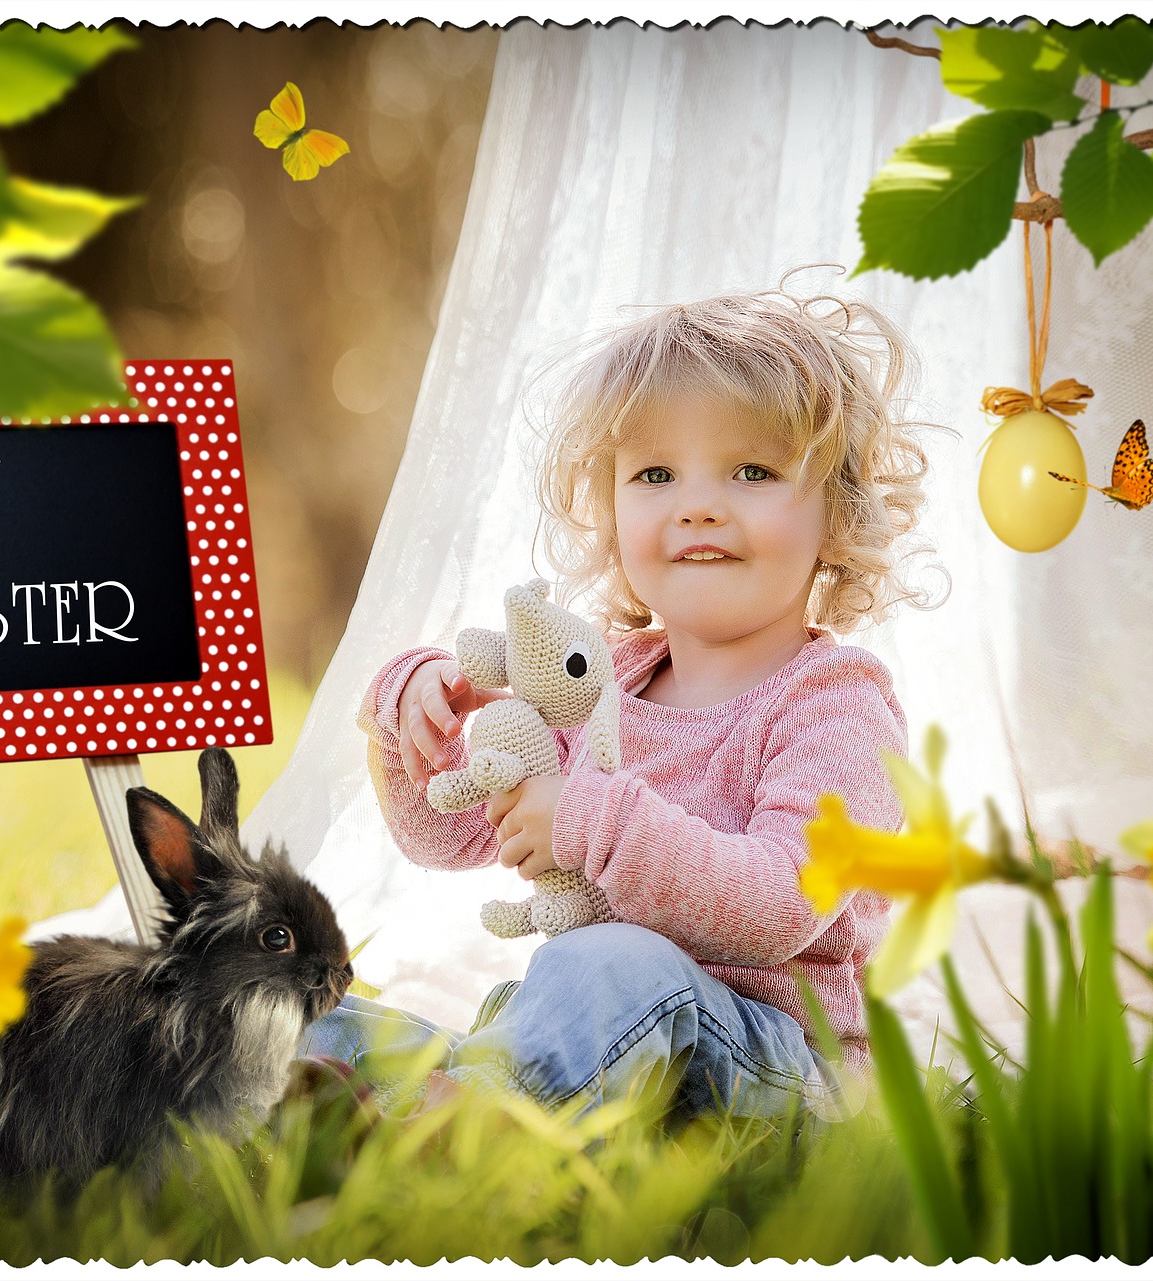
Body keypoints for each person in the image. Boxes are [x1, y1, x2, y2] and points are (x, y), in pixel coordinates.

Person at [298, 286, 934, 1125]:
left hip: (781, 1069)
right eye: (655, 473)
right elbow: (451, 834)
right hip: (608, 1040)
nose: (698, 502)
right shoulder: (608, 683)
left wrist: (590, 819)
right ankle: (313, 1092)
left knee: (614, 966)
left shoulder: (836, 705)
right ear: (613, 512)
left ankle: (457, 1129)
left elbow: (782, 905)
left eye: (753, 470)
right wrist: (414, 722)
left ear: (837, 514)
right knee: (302, 1009)